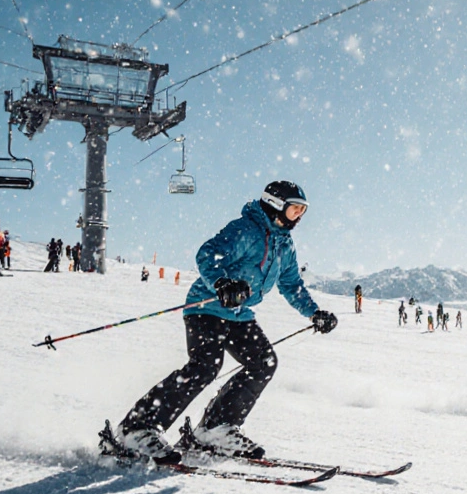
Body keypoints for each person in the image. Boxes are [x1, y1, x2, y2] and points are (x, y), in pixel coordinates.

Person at [114, 181, 338, 464]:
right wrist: (222, 283)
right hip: (206, 307)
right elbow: (208, 254)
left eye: (302, 210)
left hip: (239, 313)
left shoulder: (284, 244)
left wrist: (314, 313)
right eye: (295, 209)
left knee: (264, 363)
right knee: (205, 366)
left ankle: (215, 429)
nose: (299, 216)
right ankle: (137, 428)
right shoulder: (247, 230)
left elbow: (291, 284)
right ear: (275, 205)